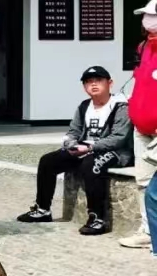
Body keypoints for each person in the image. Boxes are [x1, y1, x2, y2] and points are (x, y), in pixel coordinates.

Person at [17, 66, 132, 235]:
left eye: (98, 80)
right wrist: (70, 145)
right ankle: (43, 209)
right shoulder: (84, 106)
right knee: (48, 161)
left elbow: (119, 138)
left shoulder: (121, 107)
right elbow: (73, 131)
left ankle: (97, 218)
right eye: (88, 82)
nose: (93, 85)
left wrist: (90, 147)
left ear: (110, 83)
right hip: (85, 148)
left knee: (91, 165)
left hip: (115, 151)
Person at [124, 0, 157, 249]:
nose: (147, 21)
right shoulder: (143, 46)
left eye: (152, 16)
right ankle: (147, 230)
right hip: (141, 126)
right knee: (143, 181)